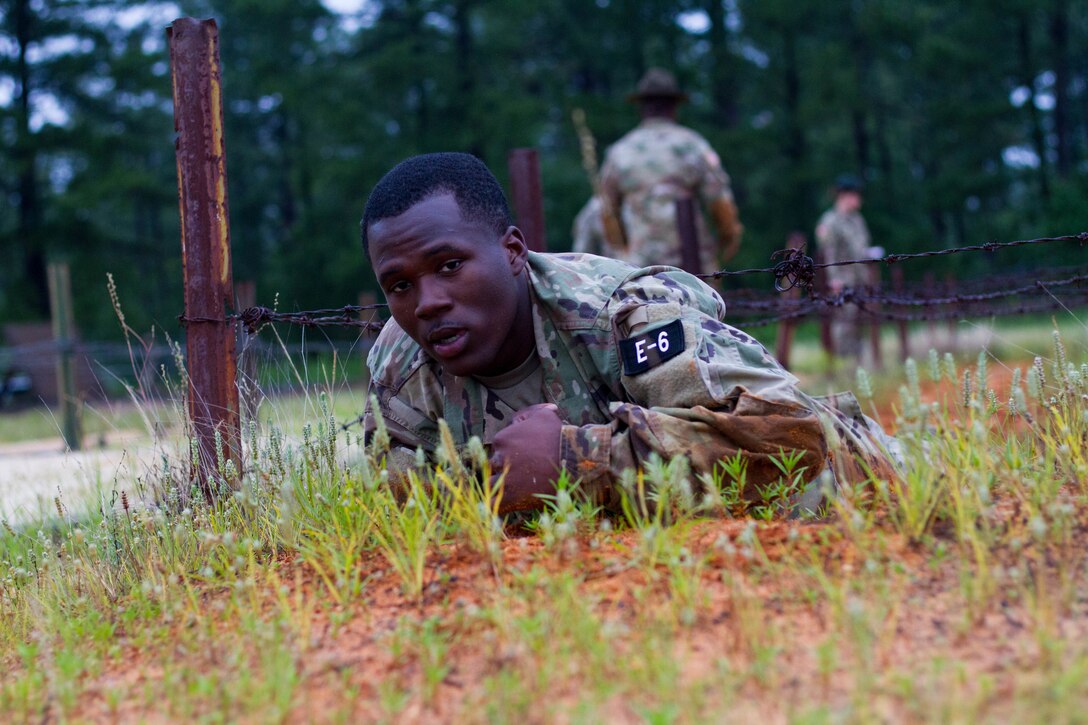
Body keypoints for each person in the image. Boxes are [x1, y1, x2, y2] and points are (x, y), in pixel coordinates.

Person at [361, 152, 899, 515]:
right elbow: (408, 503)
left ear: (513, 252)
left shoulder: (624, 315)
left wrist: (576, 461)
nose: (428, 302)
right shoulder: (400, 365)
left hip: (852, 496)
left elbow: (788, 432)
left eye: (450, 265)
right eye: (400, 284)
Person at [597, 68, 742, 274]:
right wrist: (728, 238)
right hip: (692, 265)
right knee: (701, 307)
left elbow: (607, 212)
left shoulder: (619, 152)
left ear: (641, 107)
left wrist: (622, 251)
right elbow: (719, 201)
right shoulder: (692, 145)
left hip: (639, 267)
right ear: (675, 106)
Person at [815, 174, 876, 360]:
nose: (859, 200)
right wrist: (835, 279)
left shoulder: (858, 220)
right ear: (845, 196)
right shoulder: (830, 221)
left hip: (860, 279)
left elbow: (861, 249)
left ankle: (858, 363)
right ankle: (844, 362)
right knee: (844, 323)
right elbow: (828, 253)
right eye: (856, 195)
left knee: (860, 322)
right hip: (842, 281)